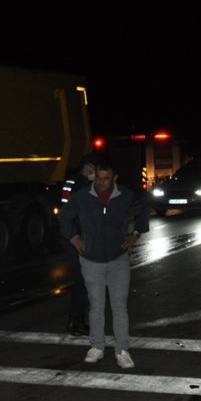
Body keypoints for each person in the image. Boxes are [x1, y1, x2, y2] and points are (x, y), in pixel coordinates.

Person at [58, 154, 149, 369]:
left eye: (106, 178)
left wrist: (134, 235)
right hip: (91, 261)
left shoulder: (125, 196)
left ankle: (122, 351)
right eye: (98, 177)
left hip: (118, 260)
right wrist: (75, 239)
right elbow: (63, 217)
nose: (101, 182)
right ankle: (97, 347)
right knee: (96, 306)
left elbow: (142, 214)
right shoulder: (82, 196)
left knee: (119, 307)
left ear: (114, 178)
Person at [59, 153, 99, 336]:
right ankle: (75, 323)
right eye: (94, 168)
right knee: (83, 280)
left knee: (86, 280)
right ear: (87, 166)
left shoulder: (87, 184)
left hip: (84, 238)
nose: (95, 172)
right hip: (75, 239)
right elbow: (68, 213)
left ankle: (78, 321)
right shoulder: (74, 183)